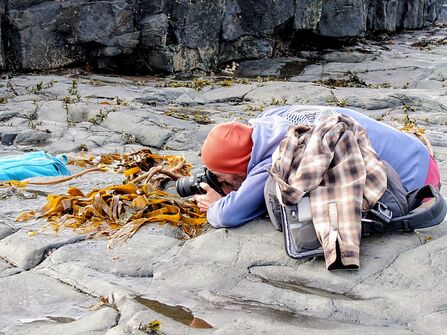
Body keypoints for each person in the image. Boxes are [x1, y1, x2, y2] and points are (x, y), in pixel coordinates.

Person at [193, 105, 441, 228]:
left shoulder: (275, 155)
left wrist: (215, 204)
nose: (224, 184)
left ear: (240, 165)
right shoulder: (271, 118)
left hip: (416, 184)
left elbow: (227, 215)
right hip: (417, 151)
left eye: (224, 179)